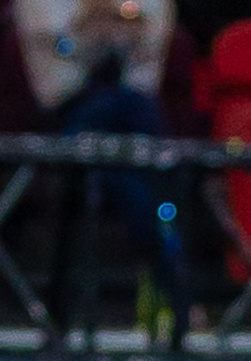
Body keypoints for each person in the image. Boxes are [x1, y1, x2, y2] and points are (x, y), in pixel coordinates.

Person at [15, 0, 187, 339]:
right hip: (73, 105)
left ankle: (61, 313)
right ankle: (175, 285)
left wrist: (113, 30)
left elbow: (148, 43)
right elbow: (52, 44)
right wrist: (92, 30)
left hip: (129, 108)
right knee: (125, 163)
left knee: (130, 141)